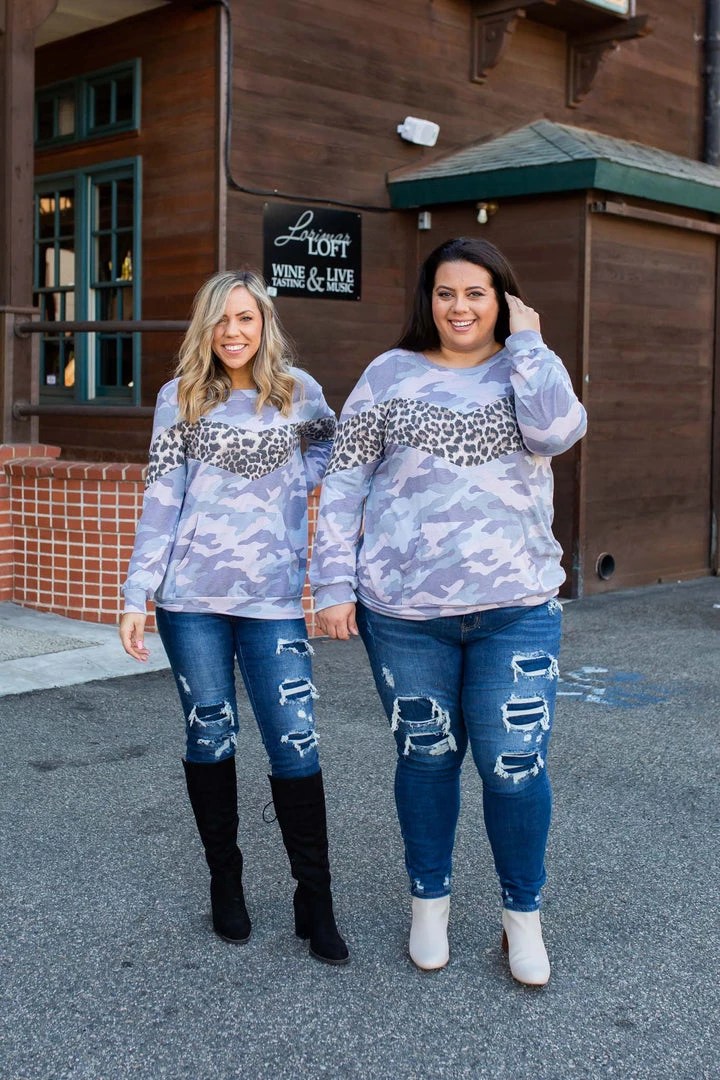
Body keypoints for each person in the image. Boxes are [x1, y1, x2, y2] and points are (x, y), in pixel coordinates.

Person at [310, 237, 586, 984]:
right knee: (427, 759)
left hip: (516, 608)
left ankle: (521, 917)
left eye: (476, 293)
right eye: (445, 293)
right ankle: (428, 904)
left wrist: (528, 345)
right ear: (427, 301)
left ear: (503, 300)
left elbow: (559, 432)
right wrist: (331, 585)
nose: (459, 307)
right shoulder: (387, 375)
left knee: (514, 767)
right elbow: (345, 481)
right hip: (405, 614)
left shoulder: (528, 368)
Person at [119, 269, 348, 966]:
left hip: (273, 601)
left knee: (295, 743)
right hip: (192, 602)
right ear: (206, 327)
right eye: (221, 319)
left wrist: (295, 483)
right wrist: (137, 593)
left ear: (264, 323)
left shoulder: (299, 392)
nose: (233, 331)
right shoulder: (181, 397)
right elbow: (162, 497)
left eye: (245, 317)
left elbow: (335, 453)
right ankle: (227, 880)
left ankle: (316, 898)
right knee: (211, 735)